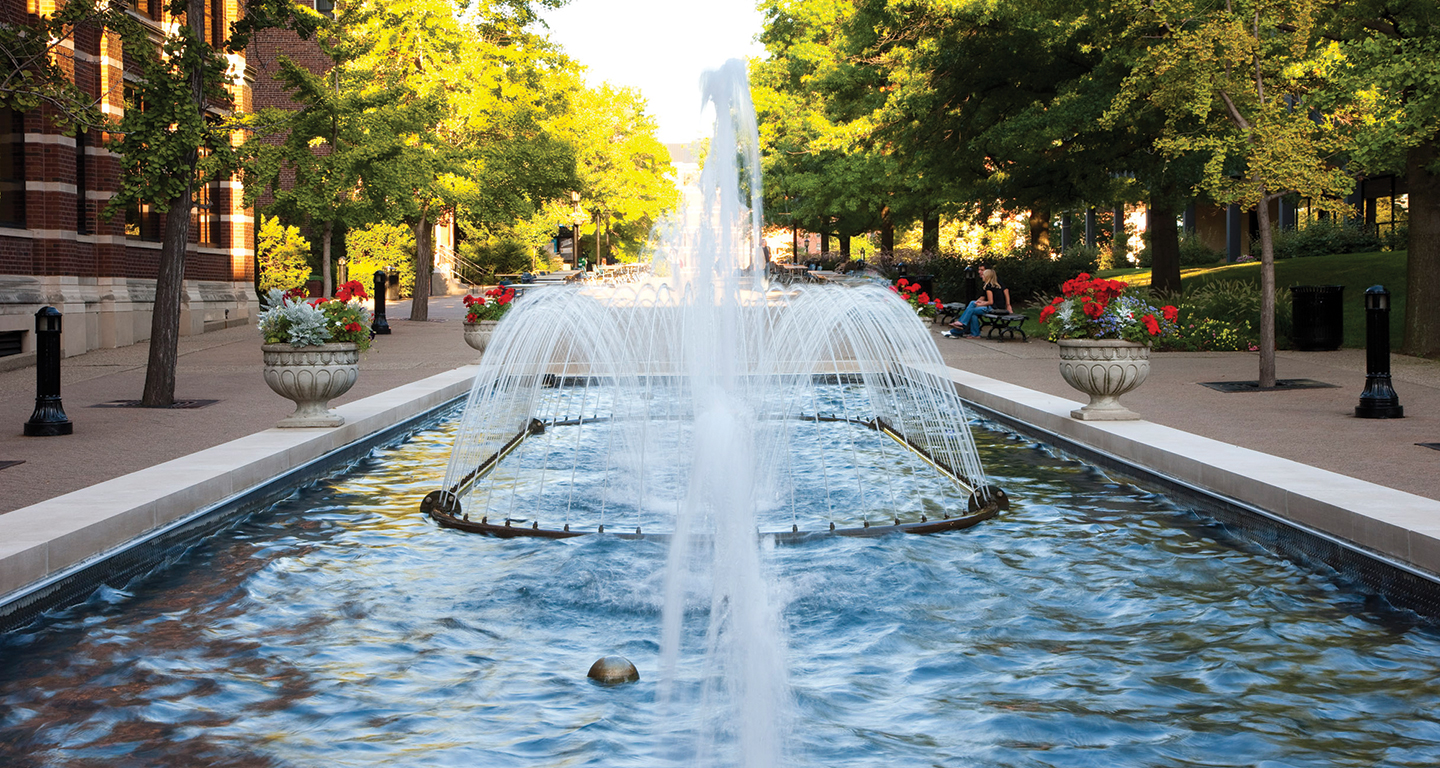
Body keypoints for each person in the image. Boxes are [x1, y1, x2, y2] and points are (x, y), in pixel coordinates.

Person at [944, 268, 1012, 338]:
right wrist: (981, 302)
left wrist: (981, 304)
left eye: (983, 275)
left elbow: (990, 302)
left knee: (971, 311)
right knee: (973, 305)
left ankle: (963, 323)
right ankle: (974, 333)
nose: (982, 276)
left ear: (987, 277)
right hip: (997, 306)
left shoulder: (988, 287)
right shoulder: (995, 286)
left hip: (994, 308)